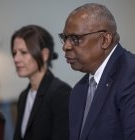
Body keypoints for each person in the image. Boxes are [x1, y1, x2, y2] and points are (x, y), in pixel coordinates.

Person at [58, 3, 135, 140]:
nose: (66, 46)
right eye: (65, 38)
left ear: (105, 40)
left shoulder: (130, 74)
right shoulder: (78, 90)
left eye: (75, 38)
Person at [11, 25, 72, 140]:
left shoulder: (61, 94)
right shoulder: (23, 96)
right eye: (14, 53)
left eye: (23, 52)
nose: (16, 59)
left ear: (44, 55)